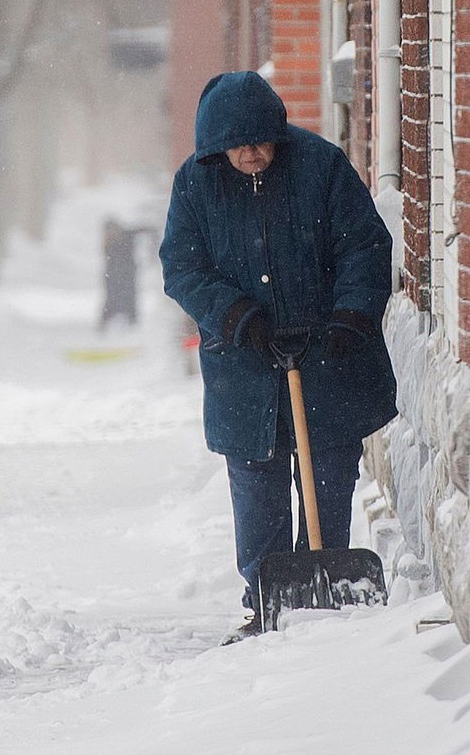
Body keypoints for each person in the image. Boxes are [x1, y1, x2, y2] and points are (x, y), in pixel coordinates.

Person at [158, 71, 398, 641]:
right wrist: (238, 316)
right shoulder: (196, 184)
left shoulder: (321, 167)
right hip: (243, 365)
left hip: (328, 358)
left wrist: (350, 316)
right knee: (257, 481)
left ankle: (325, 585)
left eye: (263, 141)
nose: (254, 153)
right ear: (217, 146)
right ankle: (265, 600)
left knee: (329, 475)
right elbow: (183, 268)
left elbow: (364, 245)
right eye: (240, 146)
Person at [98, 218, 138, 331]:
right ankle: (106, 324)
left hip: (126, 276)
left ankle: (131, 324)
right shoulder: (110, 243)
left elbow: (144, 230)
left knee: (128, 299)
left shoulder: (126, 236)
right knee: (112, 299)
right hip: (113, 277)